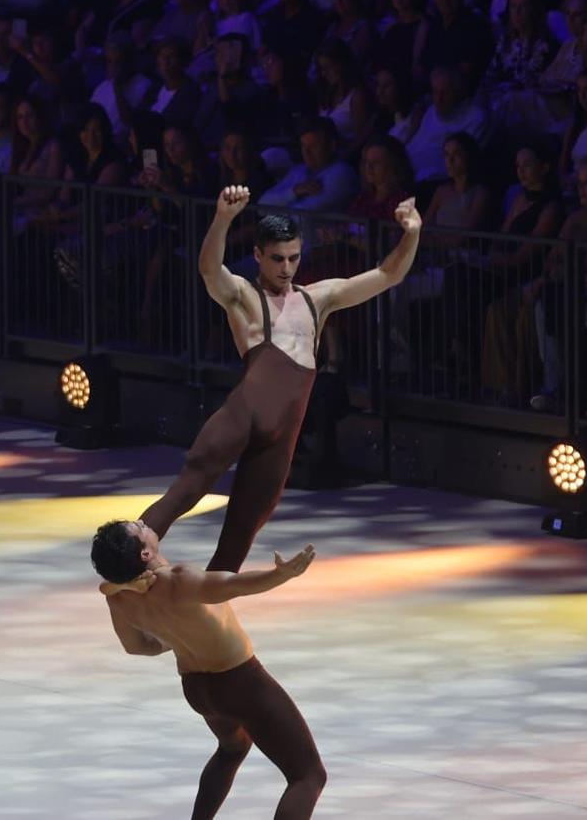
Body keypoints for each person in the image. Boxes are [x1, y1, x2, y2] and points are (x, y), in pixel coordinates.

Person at [137, 189, 421, 569]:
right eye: (277, 259)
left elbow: (389, 274)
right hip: (241, 419)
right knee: (184, 493)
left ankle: (201, 620)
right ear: (258, 255)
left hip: (280, 440)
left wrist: (413, 233)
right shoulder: (244, 296)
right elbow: (209, 269)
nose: (287, 268)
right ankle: (122, 561)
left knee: (239, 537)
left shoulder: (318, 299)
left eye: (294, 258)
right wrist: (222, 218)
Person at [93, 521, 323, 819]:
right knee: (308, 776)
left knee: (232, 749)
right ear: (146, 554)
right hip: (241, 682)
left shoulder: (119, 598)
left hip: (198, 690)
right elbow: (235, 585)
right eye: (138, 528)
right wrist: (281, 574)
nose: (143, 523)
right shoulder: (179, 580)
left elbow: (137, 646)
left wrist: (178, 638)